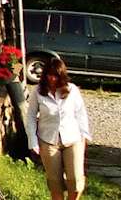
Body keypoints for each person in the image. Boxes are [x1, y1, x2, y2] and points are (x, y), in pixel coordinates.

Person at [25, 58, 91, 200]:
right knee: (55, 182)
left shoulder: (72, 90)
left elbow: (81, 113)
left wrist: (84, 136)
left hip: (73, 139)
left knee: (75, 181)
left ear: (61, 76)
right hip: (48, 140)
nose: (52, 78)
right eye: (49, 74)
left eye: (55, 75)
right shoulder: (37, 91)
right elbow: (30, 116)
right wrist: (33, 141)